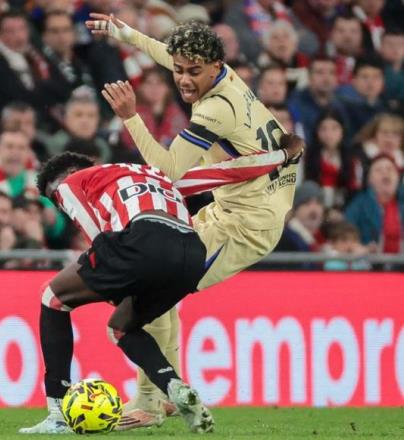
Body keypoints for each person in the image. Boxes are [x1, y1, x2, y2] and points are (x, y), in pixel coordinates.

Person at [85, 16, 302, 429]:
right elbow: (167, 54)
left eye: (193, 71)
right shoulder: (225, 77)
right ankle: (164, 397)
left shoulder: (217, 109)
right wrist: (125, 34)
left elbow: (168, 171)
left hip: (244, 226)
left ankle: (150, 403)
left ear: (215, 66)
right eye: (179, 69)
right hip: (236, 209)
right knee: (156, 288)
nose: (183, 79)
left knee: (152, 287)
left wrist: (131, 116)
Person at [19, 143, 301, 435]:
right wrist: (282, 156)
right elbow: (225, 173)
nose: (61, 206)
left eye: (55, 197)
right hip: (192, 253)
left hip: (142, 239)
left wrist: (115, 281)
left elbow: (99, 236)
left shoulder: (73, 183)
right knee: (122, 328)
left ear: (68, 175)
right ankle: (173, 387)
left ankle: (58, 414)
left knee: (53, 297)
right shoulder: (157, 173)